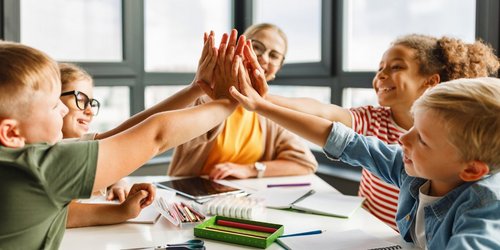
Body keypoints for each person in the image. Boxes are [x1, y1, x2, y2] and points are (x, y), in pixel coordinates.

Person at [231, 52, 500, 248]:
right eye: (413, 127)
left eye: (423, 140)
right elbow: (340, 138)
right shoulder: (415, 170)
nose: (404, 140)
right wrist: (261, 106)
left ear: (472, 169)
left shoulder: (484, 208)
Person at [0, 30, 239, 249]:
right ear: (11, 133)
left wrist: (197, 88)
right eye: (53, 105)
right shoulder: (39, 166)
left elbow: (64, 213)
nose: (62, 110)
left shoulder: (16, 161)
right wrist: (228, 101)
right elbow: (156, 134)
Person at [169, 23, 317, 179]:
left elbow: (306, 163)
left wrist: (251, 170)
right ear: (239, 48)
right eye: (257, 47)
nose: (264, 58)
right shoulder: (207, 96)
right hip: (191, 196)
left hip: (240, 199)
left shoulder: (268, 113)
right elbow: (170, 133)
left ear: (278, 69)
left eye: (274, 55)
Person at [59, 62, 157, 228]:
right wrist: (121, 211)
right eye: (80, 99)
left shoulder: (83, 150)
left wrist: (116, 182)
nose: (89, 111)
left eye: (91, 102)